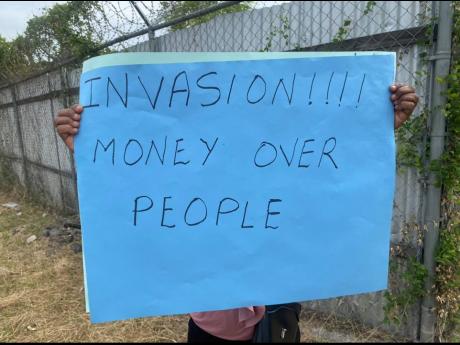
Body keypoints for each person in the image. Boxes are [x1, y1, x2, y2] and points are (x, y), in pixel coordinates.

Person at [54, 83, 419, 343]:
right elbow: (139, 188)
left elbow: (330, 173)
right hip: (213, 325)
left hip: (278, 312)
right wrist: (89, 149)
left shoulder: (283, 170)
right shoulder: (185, 180)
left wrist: (377, 127)